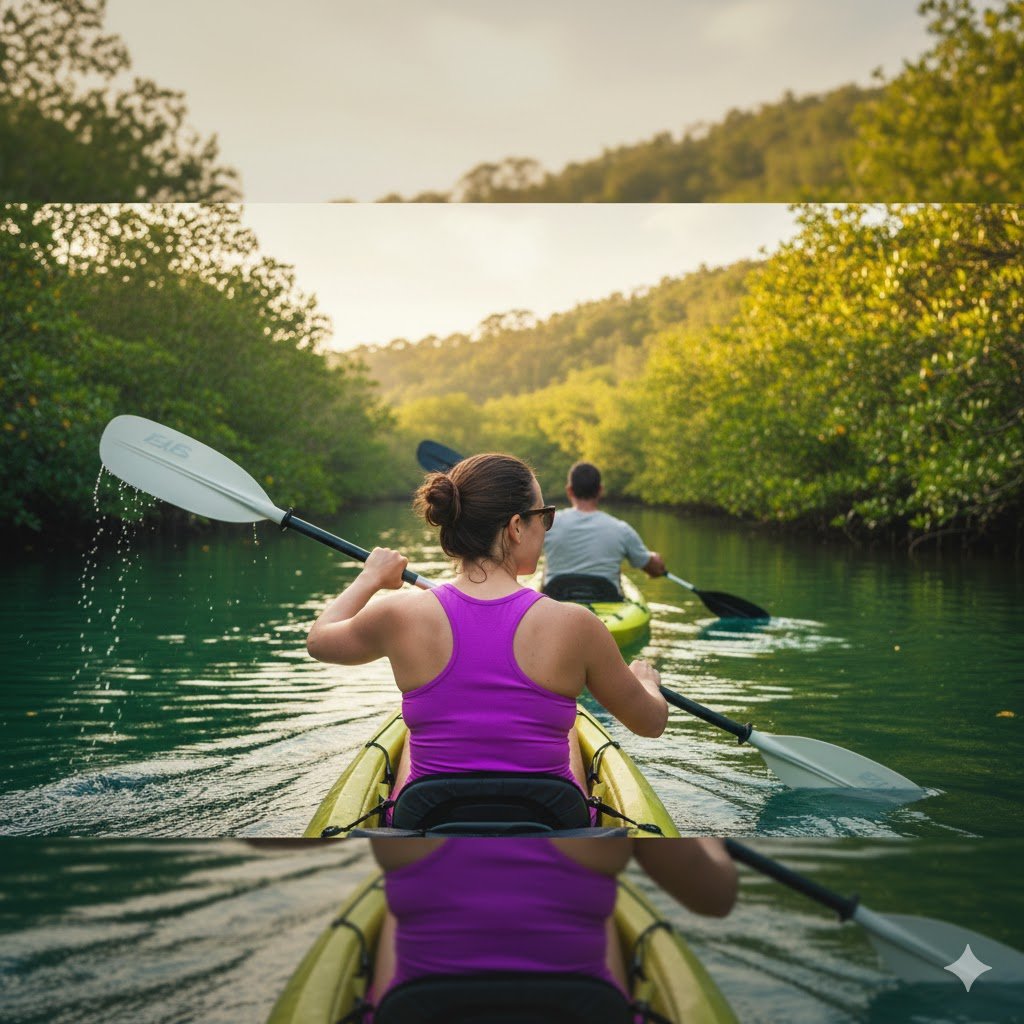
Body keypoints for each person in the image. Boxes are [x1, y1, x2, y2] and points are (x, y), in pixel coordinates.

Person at [306, 453, 668, 817]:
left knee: (413, 735)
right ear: (515, 527)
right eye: (544, 516)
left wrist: (370, 578)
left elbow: (319, 640)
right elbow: (651, 723)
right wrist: (645, 682)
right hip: (549, 824)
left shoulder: (398, 614)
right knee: (569, 719)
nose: (546, 527)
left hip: (428, 822)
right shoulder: (577, 625)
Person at [368, 836, 738, 1016]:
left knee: (396, 907)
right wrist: (710, 839)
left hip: (425, 1007)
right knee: (597, 903)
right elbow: (716, 898)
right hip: (580, 1007)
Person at [543, 462, 666, 599]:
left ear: (569, 490)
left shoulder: (548, 523)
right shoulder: (622, 529)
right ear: (600, 490)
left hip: (556, 599)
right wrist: (653, 558)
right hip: (606, 599)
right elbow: (654, 570)